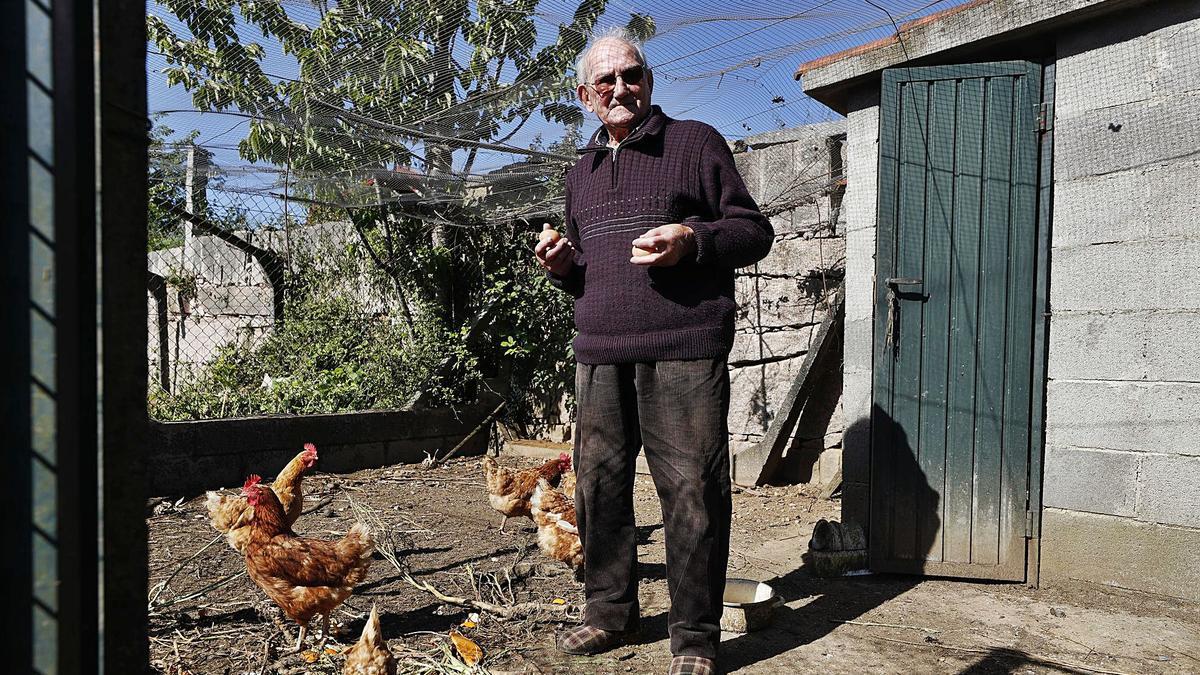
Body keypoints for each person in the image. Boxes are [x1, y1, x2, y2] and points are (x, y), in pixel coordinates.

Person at [534, 27, 772, 675]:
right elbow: (593, 272)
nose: (620, 88)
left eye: (631, 75)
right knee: (598, 490)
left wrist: (691, 239)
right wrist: (563, 265)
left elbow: (753, 231)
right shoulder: (578, 173)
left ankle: (694, 634)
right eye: (605, 81)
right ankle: (608, 610)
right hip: (599, 352)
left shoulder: (694, 143)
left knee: (692, 490)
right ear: (585, 96)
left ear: (649, 82)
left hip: (684, 348)